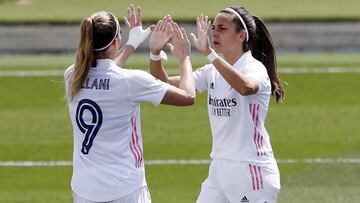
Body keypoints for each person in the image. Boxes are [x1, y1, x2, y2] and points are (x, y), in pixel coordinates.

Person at [149, 6, 285, 203]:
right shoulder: (211, 71)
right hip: (220, 169)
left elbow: (246, 87)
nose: (214, 33)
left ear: (241, 36)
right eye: (213, 27)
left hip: (251, 169)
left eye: (222, 28)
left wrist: (209, 54)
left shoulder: (254, 68)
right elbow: (164, 85)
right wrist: (154, 54)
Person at [64, 5, 195, 203]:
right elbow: (188, 96)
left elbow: (106, 72)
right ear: (116, 41)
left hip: (84, 190)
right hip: (125, 189)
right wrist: (184, 57)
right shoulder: (131, 81)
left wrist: (132, 44)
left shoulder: (73, 75)